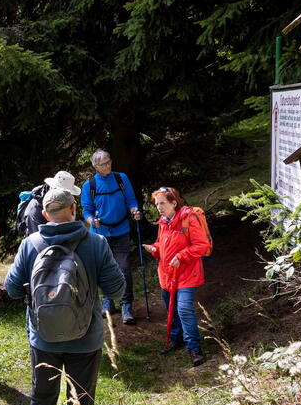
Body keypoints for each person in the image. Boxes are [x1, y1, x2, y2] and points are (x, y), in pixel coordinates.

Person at [4, 188, 126, 405]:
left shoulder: (30, 243)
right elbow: (117, 289)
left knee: (43, 398)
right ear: (75, 209)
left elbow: (10, 288)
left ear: (45, 214)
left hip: (43, 337)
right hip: (86, 339)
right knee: (80, 402)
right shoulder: (96, 243)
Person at [143, 186, 209, 366]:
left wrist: (181, 256)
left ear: (174, 202)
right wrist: (155, 248)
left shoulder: (188, 218)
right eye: (157, 204)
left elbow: (201, 245)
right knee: (170, 307)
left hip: (186, 273)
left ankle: (194, 348)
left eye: (163, 203)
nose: (159, 207)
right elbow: (162, 244)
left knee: (184, 308)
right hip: (167, 275)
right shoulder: (163, 222)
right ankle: (176, 338)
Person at [80, 149, 143, 325]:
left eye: (109, 162)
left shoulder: (121, 178)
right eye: (103, 164)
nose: (108, 165)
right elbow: (86, 210)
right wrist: (92, 221)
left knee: (123, 268)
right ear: (95, 166)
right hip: (100, 234)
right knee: (104, 269)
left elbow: (131, 200)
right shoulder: (89, 186)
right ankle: (108, 301)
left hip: (121, 230)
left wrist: (134, 211)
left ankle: (126, 305)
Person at [21, 170, 82, 236]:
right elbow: (39, 241)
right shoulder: (35, 210)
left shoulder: (64, 203)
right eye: (65, 193)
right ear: (53, 188)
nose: (67, 197)